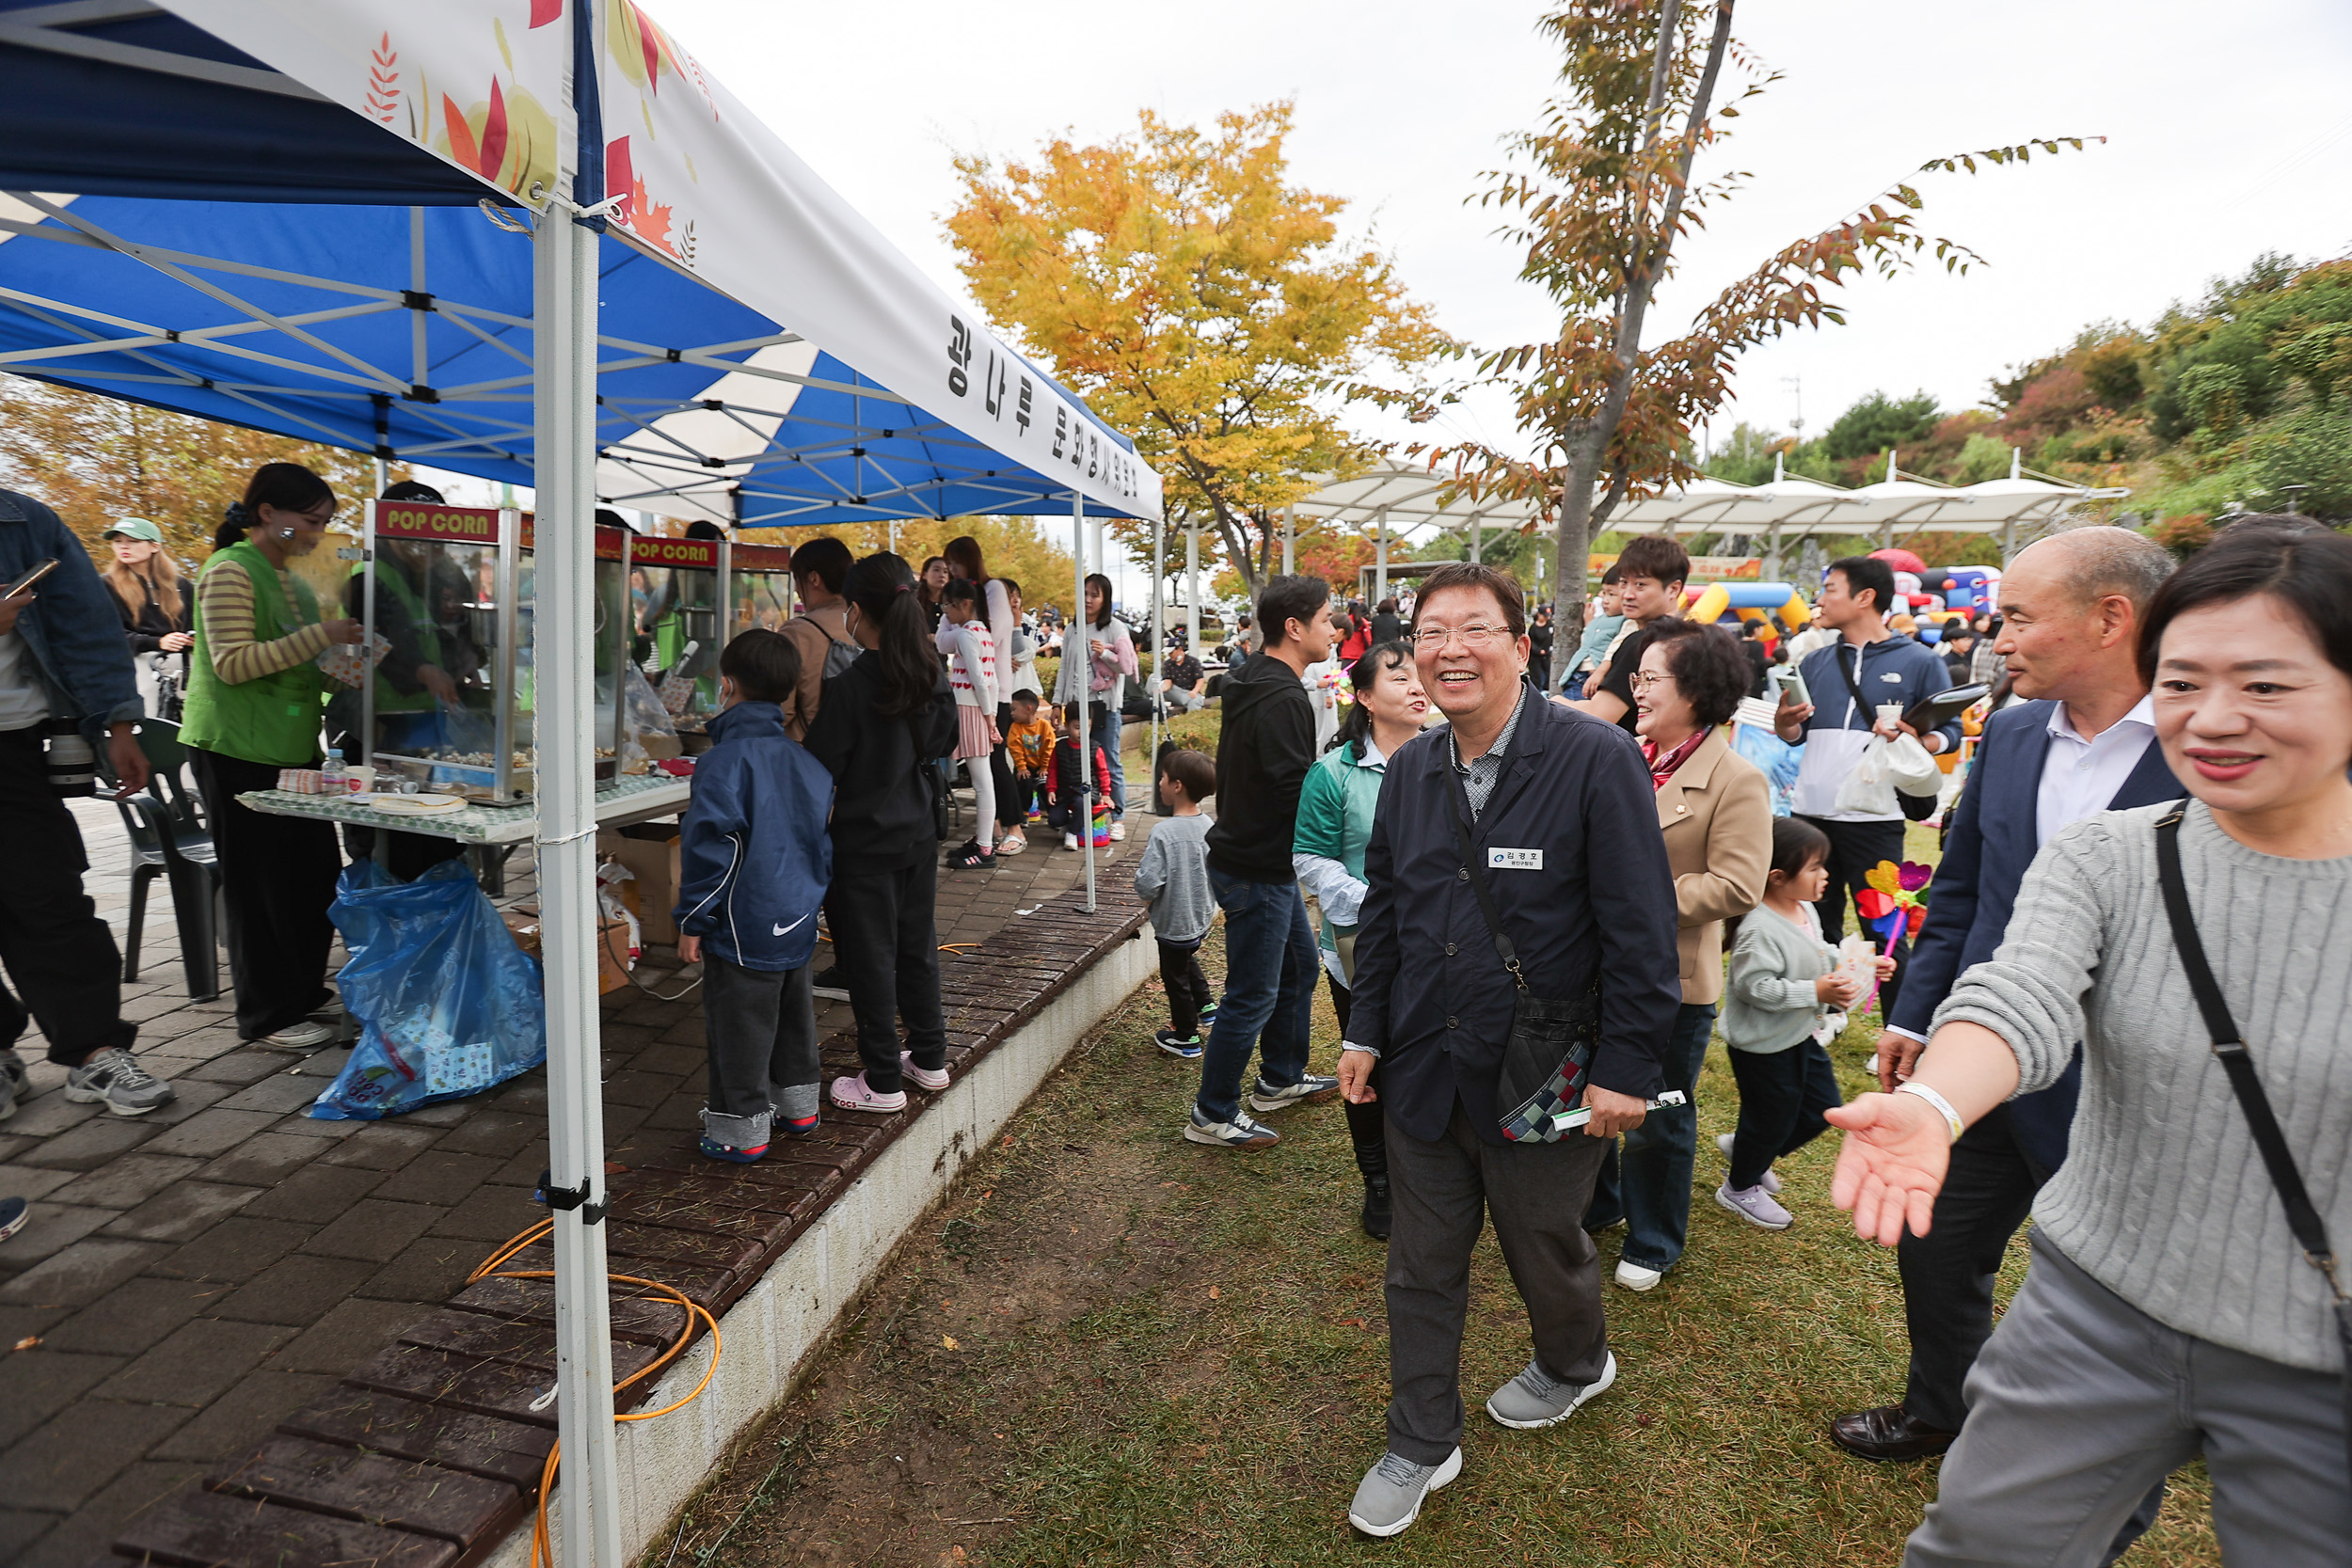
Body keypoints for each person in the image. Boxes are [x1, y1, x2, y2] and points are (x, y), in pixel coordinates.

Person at [1827, 523, 2352, 1567]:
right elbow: (2016, 973)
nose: (2210, 718)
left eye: (2265, 684)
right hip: (2095, 1288)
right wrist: (1934, 1093)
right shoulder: (2100, 841)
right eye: (2184, 680)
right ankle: (1945, 1405)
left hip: (2312, 1349)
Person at [1335, 562, 1679, 1539]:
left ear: (1523, 647)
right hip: (1422, 1065)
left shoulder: (1593, 756)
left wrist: (1626, 1066)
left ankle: (1575, 1362)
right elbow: (1392, 912)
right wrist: (1364, 1029)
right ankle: (1419, 1436)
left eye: (1475, 627)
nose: (1450, 648)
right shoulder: (1410, 766)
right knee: (1420, 1257)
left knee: (1544, 1242)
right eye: (1431, 631)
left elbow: (1640, 928)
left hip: (1548, 1067)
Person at [1832, 527, 2184, 1469]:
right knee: (1937, 1243)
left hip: (2134, 1084)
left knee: (2116, 1287)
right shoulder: (2015, 728)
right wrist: (1916, 1013)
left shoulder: (2214, 747)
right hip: (1976, 1061)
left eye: (2019, 616)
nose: (1997, 636)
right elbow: (1963, 887)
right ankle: (1942, 1406)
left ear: (2111, 618)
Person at [1582, 620, 1771, 1291]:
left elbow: (1737, 884)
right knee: (1594, 1094)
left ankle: (1654, 1238)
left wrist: (1633, 893)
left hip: (1674, 979)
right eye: (1635, 678)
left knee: (1659, 1111)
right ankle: (1598, 1206)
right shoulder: (1621, 752)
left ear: (1696, 689)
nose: (1636, 689)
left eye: (1650, 677)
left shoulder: (1736, 778)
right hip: (1595, 966)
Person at [0, 483, 173, 1121]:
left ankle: (93, 1051)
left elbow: (86, 627)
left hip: (13, 744)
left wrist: (120, 726)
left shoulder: (23, 520)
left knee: (50, 900)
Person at [180, 463, 362, 1049]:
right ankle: (267, 1014)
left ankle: (304, 992)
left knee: (313, 880)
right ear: (267, 514)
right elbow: (234, 663)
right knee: (259, 888)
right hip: (235, 751)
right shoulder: (229, 570)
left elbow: (304, 665)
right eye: (310, 521)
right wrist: (325, 637)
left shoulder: (296, 581)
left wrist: (354, 667)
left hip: (290, 750)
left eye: (326, 522)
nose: (317, 534)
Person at [1771, 556, 1962, 1028]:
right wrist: (1784, 724)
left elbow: (1951, 731)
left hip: (1875, 820)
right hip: (1809, 816)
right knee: (1817, 925)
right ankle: (1825, 1016)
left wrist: (1916, 737)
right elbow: (1797, 734)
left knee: (1886, 927)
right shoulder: (1814, 660)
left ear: (1865, 597)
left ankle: (1904, 1026)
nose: (1820, 598)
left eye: (1830, 588)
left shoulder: (1918, 661)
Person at [1189, 574, 1341, 1150]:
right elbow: (1292, 792)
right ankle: (1212, 1113)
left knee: (1299, 971)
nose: (1335, 629)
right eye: (1326, 619)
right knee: (1251, 995)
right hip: (1256, 866)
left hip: (1256, 860)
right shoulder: (1281, 697)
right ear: (1294, 627)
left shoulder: (1254, 676)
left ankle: (1279, 1077)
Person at [803, 552, 958, 1115]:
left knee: (869, 957)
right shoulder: (929, 673)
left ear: (857, 609)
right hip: (918, 831)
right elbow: (942, 746)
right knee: (917, 947)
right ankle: (931, 1058)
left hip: (863, 843)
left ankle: (884, 1081)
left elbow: (820, 768)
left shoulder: (850, 688)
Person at [674, 629, 833, 1161]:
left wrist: (693, 920)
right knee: (793, 1014)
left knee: (739, 1025)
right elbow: (821, 844)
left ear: (727, 685)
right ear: (788, 690)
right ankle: (800, 1107)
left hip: (743, 920)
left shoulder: (722, 763)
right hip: (797, 912)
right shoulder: (807, 762)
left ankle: (739, 1132)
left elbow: (711, 851)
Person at [1292, 639, 1427, 1240]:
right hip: (1360, 951)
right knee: (1365, 1065)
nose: (1418, 686)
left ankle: (1426, 1178)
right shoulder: (1333, 773)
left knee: (1425, 1064)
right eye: (1399, 678)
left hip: (1440, 950)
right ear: (1366, 698)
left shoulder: (1452, 758)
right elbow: (1311, 859)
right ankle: (1378, 1180)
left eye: (1420, 675)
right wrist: (1377, 905)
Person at [1719, 816, 1888, 1226]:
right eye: (1815, 867)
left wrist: (1862, 964)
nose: (1826, 874)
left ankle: (1747, 1149)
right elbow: (1754, 988)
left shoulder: (1805, 909)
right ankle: (1739, 1186)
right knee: (1772, 1115)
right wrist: (1816, 992)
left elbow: (1819, 950)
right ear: (1778, 876)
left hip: (1798, 1034)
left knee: (1823, 1107)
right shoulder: (1759, 929)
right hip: (1762, 1044)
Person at [944, 537, 1028, 856]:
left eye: (954, 561)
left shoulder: (991, 590)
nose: (951, 569)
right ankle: (988, 834)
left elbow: (985, 641)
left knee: (993, 763)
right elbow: (944, 641)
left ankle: (1013, 828)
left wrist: (959, 636)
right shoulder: (965, 603)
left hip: (994, 694)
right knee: (985, 767)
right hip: (981, 695)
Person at [1133, 748, 1218, 1060]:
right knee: (1186, 958)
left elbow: (1149, 881)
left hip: (1174, 921)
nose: (1159, 783)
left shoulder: (1164, 832)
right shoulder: (1208, 824)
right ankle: (1206, 1006)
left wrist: (1144, 895)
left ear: (1177, 785)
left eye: (1163, 777)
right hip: (1199, 916)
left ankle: (1186, 1036)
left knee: (1175, 977)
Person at [1051, 573, 1136, 839]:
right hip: (1077, 705)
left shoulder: (1114, 627)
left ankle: (1117, 817)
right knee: (1075, 762)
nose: (1088, 599)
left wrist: (1106, 653)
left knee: (1108, 761)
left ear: (1105, 598)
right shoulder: (1074, 627)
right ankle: (1078, 817)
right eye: (1084, 593)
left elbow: (1126, 666)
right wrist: (1057, 701)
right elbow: (1064, 667)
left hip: (1103, 705)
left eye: (1095, 594)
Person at [1575, 536, 1688, 728]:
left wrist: (1555, 701)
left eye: (1640, 585)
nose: (1627, 594)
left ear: (1673, 589)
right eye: (1623, 583)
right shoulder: (1687, 637)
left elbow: (1597, 718)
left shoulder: (1644, 643)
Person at [97, 516, 192, 719]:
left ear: (154, 546)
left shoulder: (181, 584)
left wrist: (191, 639)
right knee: (149, 727)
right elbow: (104, 635)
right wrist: (157, 641)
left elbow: (195, 625)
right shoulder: (105, 585)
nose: (124, 547)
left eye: (133, 541)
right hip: (137, 667)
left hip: (183, 666)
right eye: (118, 541)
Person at [938, 578, 1001, 870]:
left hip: (971, 709)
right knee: (982, 781)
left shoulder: (965, 634)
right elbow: (991, 678)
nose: (945, 611)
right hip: (979, 709)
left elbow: (978, 679)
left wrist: (988, 717)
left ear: (964, 604)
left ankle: (985, 848)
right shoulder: (981, 631)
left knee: (981, 781)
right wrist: (991, 716)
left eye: (948, 605)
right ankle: (983, 841)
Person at [772, 534, 861, 740]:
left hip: (809, 755)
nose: (796, 588)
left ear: (814, 578)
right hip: (860, 755)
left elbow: (781, 711)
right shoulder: (867, 622)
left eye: (796, 578)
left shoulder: (798, 631)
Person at [1046, 700, 1111, 850]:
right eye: (1077, 727)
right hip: (1063, 791)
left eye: (1086, 727)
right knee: (1054, 819)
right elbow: (1053, 769)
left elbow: (1103, 772)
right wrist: (1051, 789)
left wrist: (1106, 793)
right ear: (1067, 725)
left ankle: (1073, 833)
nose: (1081, 732)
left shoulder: (1095, 748)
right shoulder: (1059, 747)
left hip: (1086, 792)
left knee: (1082, 804)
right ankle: (1068, 823)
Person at [1561, 564, 1625, 695]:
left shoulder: (1625, 622)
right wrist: (1589, 622)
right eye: (1604, 594)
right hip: (1575, 676)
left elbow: (1614, 649)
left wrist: (1601, 672)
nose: (1605, 600)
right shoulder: (1599, 619)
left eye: (1612, 595)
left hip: (1593, 680)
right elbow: (1591, 640)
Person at [1003, 690, 1054, 825]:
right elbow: (1015, 748)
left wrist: (1044, 767)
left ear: (1028, 709)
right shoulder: (1015, 727)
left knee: (1046, 785)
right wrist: (1021, 767)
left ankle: (1053, 814)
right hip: (1024, 766)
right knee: (1023, 782)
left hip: (1042, 766)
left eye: (1014, 709)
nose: (1011, 713)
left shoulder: (1044, 726)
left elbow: (1049, 747)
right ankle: (1023, 813)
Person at [1158, 643, 1208, 714]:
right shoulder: (1168, 663)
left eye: (1171, 652)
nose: (1170, 655)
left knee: (1195, 701)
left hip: (1190, 691)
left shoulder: (1193, 662)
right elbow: (1167, 681)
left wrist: (1194, 691)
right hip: (1175, 691)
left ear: (1180, 649)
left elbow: (1200, 680)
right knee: (1156, 680)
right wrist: (1162, 689)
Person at [916, 554, 949, 632]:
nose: (942, 575)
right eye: (936, 570)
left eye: (945, 571)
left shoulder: (952, 602)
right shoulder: (915, 601)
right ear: (924, 575)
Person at [1526, 605, 1555, 692]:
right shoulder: (1534, 628)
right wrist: (1538, 650)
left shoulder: (1550, 625)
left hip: (1547, 654)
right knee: (1537, 677)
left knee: (1548, 674)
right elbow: (1531, 641)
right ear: (1539, 615)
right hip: (1535, 656)